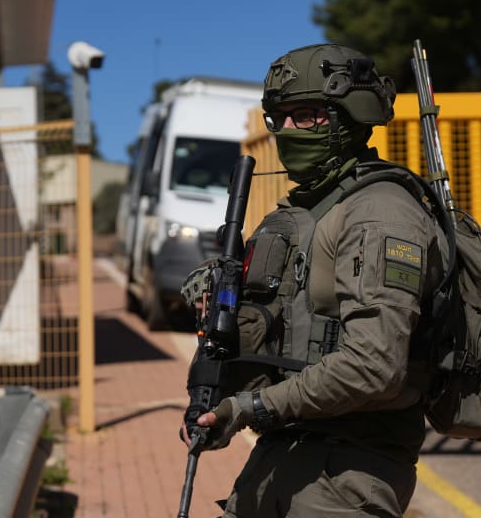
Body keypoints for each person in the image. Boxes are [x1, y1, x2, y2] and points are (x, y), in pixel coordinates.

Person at [180, 43, 450, 518]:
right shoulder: (302, 212)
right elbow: (277, 320)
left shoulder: (381, 214)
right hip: (281, 453)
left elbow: (373, 368)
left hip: (347, 472)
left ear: (350, 116)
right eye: (278, 117)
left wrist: (248, 409)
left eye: (305, 116)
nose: (287, 130)